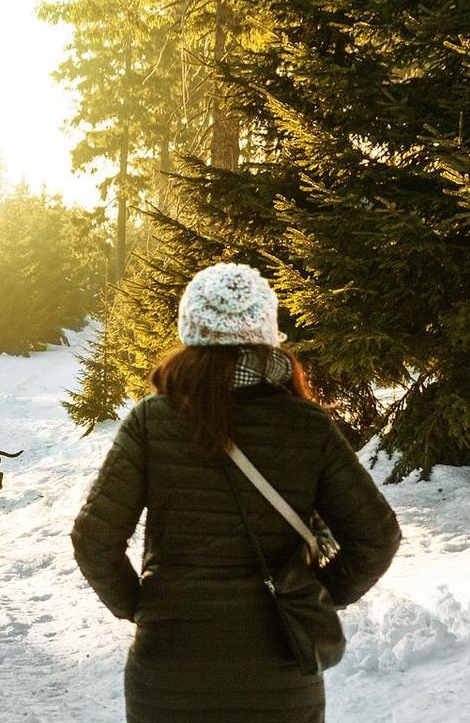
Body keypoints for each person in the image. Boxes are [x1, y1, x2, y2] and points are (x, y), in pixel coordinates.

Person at [71, 263, 401, 723]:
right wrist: (315, 595)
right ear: (266, 334)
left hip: (169, 673)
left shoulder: (151, 420)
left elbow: (93, 538)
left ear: (191, 330)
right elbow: (377, 537)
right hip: (280, 675)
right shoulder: (308, 426)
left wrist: (141, 607)